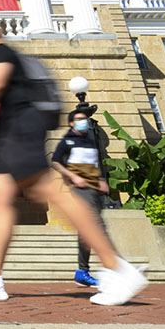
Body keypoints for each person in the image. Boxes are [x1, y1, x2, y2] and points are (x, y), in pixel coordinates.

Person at [0, 22, 147, 305]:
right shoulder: (6, 56)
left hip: (19, 129)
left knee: (49, 194)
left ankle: (118, 269)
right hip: (12, 133)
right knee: (1, 195)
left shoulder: (1, 52)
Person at [51, 109, 112, 288]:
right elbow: (55, 162)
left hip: (94, 190)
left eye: (84, 119)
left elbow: (94, 163)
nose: (82, 122)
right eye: (78, 119)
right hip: (79, 189)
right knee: (97, 226)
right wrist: (73, 176)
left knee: (86, 232)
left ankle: (82, 271)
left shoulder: (90, 141)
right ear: (71, 123)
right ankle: (115, 268)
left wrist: (101, 180)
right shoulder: (67, 141)